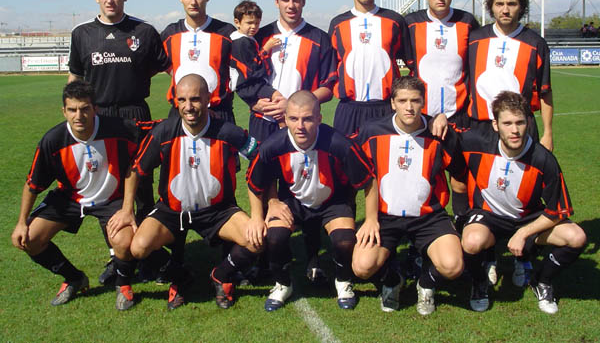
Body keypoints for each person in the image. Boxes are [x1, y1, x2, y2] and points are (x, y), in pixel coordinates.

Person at [109, 74, 260, 310]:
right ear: (176, 101)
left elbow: (260, 160)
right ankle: (179, 276)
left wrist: (260, 211)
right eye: (182, 100)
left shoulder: (227, 132)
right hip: (172, 211)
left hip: (218, 211)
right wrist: (127, 210)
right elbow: (136, 169)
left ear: (208, 99)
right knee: (138, 247)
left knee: (257, 240)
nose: (188, 107)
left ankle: (221, 275)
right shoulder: (164, 132)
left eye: (195, 99)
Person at [68, 0, 170, 284]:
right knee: (107, 192)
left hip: (135, 116)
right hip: (100, 121)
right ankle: (118, 257)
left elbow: (168, 69)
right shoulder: (83, 34)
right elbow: (74, 78)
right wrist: (72, 121)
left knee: (142, 189)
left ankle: (149, 254)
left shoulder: (144, 31)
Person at [11, 80, 140, 311]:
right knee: (29, 239)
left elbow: (135, 163)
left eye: (84, 108)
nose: (78, 115)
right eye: (72, 109)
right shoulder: (53, 141)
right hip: (70, 199)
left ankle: (123, 284)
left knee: (124, 240)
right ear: (64, 111)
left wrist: (128, 208)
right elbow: (32, 184)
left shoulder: (120, 129)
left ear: (95, 109)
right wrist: (21, 222)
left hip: (110, 199)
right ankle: (73, 278)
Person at [459, 91, 586, 314]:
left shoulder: (543, 159)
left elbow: (559, 210)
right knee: (471, 242)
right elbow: (446, 134)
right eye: (507, 123)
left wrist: (524, 233)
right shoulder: (474, 142)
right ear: (495, 125)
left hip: (528, 218)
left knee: (576, 237)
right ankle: (479, 283)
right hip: (489, 217)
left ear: (528, 122)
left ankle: (541, 280)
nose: (514, 130)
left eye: (519, 122)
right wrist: (438, 119)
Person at [246, 91, 373, 311]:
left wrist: (371, 219)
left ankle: (343, 282)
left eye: (307, 118)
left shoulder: (339, 144)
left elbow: (368, 180)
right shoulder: (271, 146)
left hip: (332, 201)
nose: (300, 126)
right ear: (285, 119)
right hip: (292, 202)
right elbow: (255, 182)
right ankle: (283, 284)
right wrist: (262, 213)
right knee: (274, 238)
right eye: (293, 119)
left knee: (344, 240)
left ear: (319, 119)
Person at [352, 76, 465, 316]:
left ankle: (426, 283)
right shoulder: (372, 131)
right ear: (392, 103)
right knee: (362, 267)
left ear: (424, 102)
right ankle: (393, 280)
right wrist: (370, 219)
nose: (409, 107)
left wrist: (462, 217)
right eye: (402, 100)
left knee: (453, 266)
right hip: (385, 217)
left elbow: (459, 176)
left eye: (415, 100)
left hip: (429, 216)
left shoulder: (439, 133)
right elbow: (363, 176)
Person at [404, 0, 480, 280]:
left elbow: (473, 70)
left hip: (457, 117)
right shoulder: (410, 24)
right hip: (420, 121)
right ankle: (419, 245)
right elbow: (404, 68)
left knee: (461, 181)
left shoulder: (467, 23)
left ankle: (464, 233)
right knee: (421, 182)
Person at [235, 0, 337, 144]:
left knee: (299, 171)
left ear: (304, 1)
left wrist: (291, 106)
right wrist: (253, 103)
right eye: (285, 0)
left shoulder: (320, 39)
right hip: (262, 121)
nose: (291, 5)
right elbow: (244, 78)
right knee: (260, 171)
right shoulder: (258, 37)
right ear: (276, 2)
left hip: (301, 125)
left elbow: (328, 89)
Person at [467, 0, 553, 152]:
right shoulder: (474, 39)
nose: (505, 10)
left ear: (521, 7)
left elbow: (545, 92)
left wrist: (548, 133)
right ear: (491, 6)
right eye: (499, 4)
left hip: (519, 128)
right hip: (480, 127)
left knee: (522, 178)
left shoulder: (536, 43)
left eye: (511, 4)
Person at [328, 0, 410, 137]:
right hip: (349, 108)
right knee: (345, 163)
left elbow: (411, 63)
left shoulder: (394, 21)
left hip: (385, 107)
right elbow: (330, 67)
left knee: (384, 162)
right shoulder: (338, 24)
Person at [161, 0, 237, 122]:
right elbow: (160, 64)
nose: (193, 2)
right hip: (181, 114)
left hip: (219, 113)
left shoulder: (227, 33)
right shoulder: (169, 34)